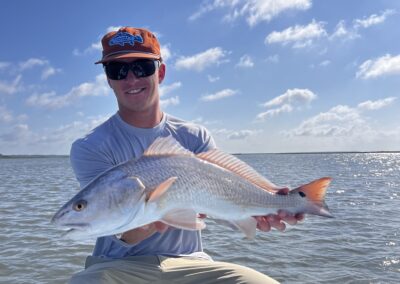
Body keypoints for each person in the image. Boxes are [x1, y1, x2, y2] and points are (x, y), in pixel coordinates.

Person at [68, 26, 304, 284]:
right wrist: (159, 213)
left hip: (191, 264)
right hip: (118, 268)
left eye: (143, 67)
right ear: (108, 79)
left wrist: (262, 206)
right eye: (118, 70)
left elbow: (218, 201)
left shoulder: (195, 136)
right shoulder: (90, 146)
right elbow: (124, 233)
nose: (131, 79)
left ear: (161, 73)